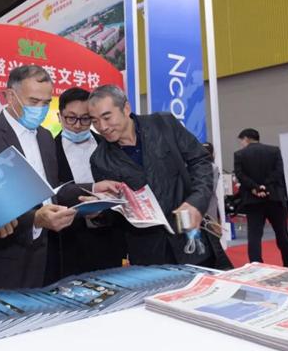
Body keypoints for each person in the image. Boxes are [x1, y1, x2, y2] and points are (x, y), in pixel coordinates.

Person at [0, 66, 118, 290]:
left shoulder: (45, 136)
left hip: (51, 255)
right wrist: (35, 219)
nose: (39, 109)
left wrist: (93, 188)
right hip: (9, 262)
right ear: (11, 96)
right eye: (33, 101)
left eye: (46, 102)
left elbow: (52, 189)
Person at [87, 85, 232, 269]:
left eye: (107, 117)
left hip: (190, 237)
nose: (102, 127)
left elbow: (200, 160)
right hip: (148, 252)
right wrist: (98, 213)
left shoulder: (163, 124)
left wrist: (197, 201)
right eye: (95, 121)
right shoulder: (99, 160)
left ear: (126, 108)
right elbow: (114, 214)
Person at [45, 88, 126, 284]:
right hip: (68, 241)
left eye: (85, 119)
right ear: (59, 116)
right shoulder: (48, 151)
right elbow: (50, 191)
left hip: (108, 238)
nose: (77, 126)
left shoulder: (110, 146)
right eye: (71, 118)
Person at [234, 128, 288, 268]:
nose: (241, 144)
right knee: (282, 232)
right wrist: (266, 186)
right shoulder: (274, 151)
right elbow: (279, 172)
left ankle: (256, 264)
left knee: (254, 235)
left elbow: (240, 175)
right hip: (275, 197)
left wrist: (255, 187)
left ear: (245, 139)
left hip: (252, 200)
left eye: (241, 141)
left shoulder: (239, 155)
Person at [202, 142, 223, 236]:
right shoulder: (213, 167)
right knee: (215, 233)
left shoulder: (192, 167)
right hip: (210, 204)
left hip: (197, 203)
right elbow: (212, 187)